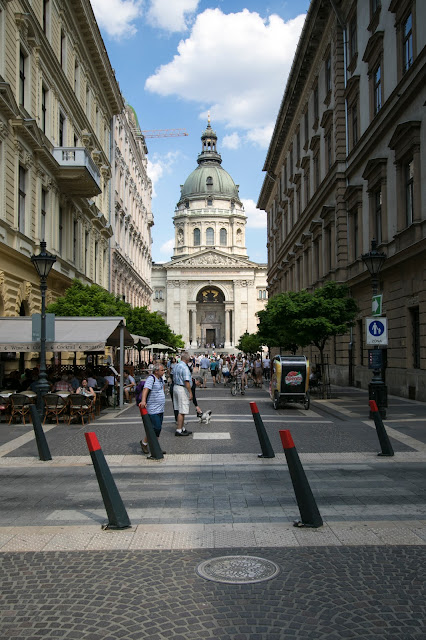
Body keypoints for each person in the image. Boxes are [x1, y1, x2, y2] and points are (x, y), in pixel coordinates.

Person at [139, 363, 166, 455]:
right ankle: (144, 443)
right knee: (155, 427)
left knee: (158, 429)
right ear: (156, 371)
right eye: (162, 370)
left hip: (160, 408)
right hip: (153, 409)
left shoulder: (161, 379)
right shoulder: (151, 378)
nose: (163, 371)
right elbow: (146, 389)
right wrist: (143, 400)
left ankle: (155, 447)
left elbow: (162, 388)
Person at [172, 352, 193, 436]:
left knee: (179, 408)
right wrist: (190, 392)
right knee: (182, 410)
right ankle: (179, 429)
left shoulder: (176, 365)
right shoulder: (185, 367)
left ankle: (182, 427)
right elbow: (186, 381)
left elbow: (172, 374)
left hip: (176, 387)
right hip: (182, 388)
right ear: (187, 359)